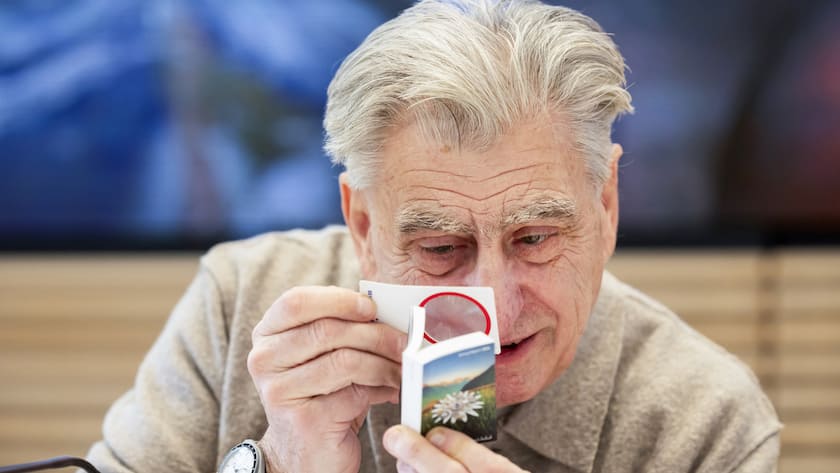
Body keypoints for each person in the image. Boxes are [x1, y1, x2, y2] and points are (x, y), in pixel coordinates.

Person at [86, 1, 781, 472]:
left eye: (535, 238)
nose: (493, 307)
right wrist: (276, 462)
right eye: (441, 248)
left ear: (605, 207)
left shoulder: (703, 424)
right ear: (362, 224)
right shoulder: (239, 306)